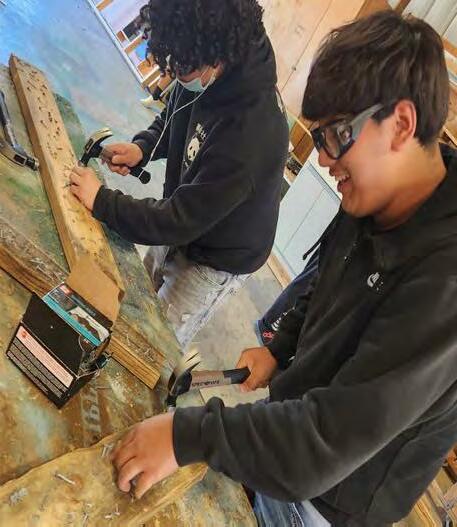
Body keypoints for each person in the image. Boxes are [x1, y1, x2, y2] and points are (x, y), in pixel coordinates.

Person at [110, 10, 456, 526]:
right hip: (287, 431)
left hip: (326, 501)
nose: (322, 159)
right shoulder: (378, 194)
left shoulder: (445, 283)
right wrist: (281, 346)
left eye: (334, 136)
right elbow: (323, 282)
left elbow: (322, 444)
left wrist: (187, 435)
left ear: (402, 124)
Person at [70, 0, 289, 350]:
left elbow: (178, 220)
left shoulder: (250, 133)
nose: (174, 76)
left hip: (218, 256)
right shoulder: (201, 56)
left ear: (216, 60)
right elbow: (177, 112)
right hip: (188, 210)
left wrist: (102, 201)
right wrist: (144, 147)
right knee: (137, 295)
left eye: (182, 70)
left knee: (153, 343)